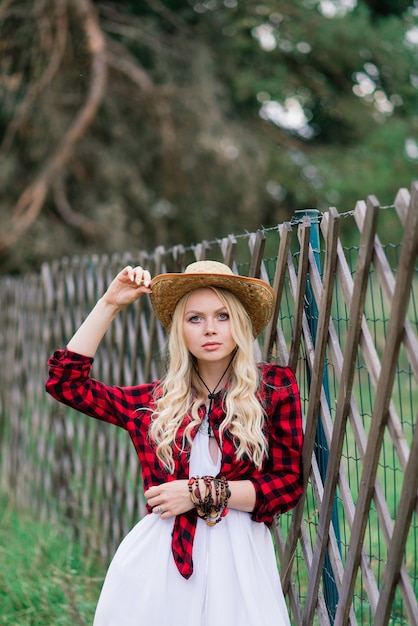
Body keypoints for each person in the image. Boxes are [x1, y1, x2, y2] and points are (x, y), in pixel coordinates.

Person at [46, 259, 304, 626]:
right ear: (179, 329)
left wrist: (199, 491)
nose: (210, 329)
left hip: (240, 562)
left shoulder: (273, 388)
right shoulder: (156, 402)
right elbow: (66, 384)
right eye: (194, 318)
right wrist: (109, 304)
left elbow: (288, 484)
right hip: (160, 563)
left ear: (241, 324)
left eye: (223, 316)